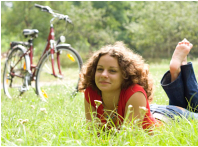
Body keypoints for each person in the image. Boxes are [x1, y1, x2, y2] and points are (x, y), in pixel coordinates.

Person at [78, 38, 198, 130]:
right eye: (99, 69)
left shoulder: (135, 93)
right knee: (188, 104)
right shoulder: (91, 92)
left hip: (168, 115)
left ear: (125, 75)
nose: (103, 74)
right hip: (149, 109)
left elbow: (128, 135)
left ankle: (180, 68)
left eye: (112, 71)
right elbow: (92, 131)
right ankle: (180, 68)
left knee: (194, 108)